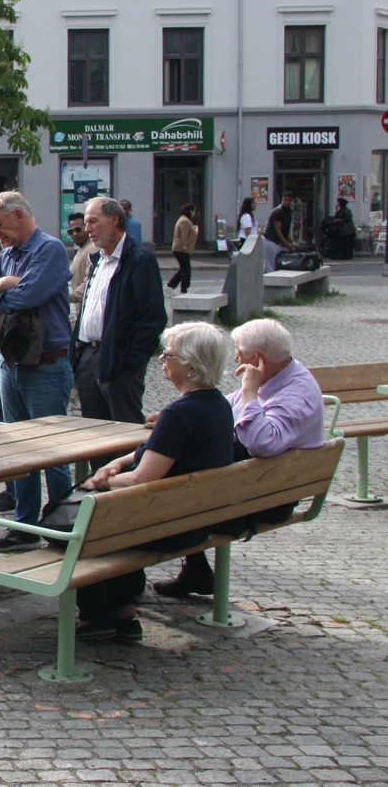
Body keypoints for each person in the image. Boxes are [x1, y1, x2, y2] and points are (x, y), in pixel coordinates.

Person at [76, 322, 236, 642]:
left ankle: (99, 613)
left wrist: (98, 484)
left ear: (191, 365)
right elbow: (153, 455)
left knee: (86, 518)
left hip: (168, 526)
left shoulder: (179, 414)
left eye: (169, 353)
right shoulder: (217, 405)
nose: (161, 357)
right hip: (196, 518)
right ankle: (123, 612)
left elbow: (141, 478)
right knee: (118, 516)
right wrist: (117, 463)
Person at [153, 318, 326, 598]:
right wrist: (187, 417)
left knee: (180, 491)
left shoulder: (294, 395)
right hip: (256, 489)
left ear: (257, 359)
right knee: (197, 468)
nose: (234, 358)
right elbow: (226, 408)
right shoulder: (283, 378)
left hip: (266, 501)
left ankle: (122, 597)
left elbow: (262, 443)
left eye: (239, 352)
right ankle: (197, 573)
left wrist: (249, 391)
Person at [0, 192, 73, 553]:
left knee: (53, 452)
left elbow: (27, 298)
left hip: (46, 364)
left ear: (18, 216)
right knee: (19, 452)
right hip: (10, 363)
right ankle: (25, 526)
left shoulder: (50, 250)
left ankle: (62, 525)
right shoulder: (7, 256)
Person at [73, 197, 167, 427]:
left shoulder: (139, 260)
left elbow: (153, 318)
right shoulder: (97, 260)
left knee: (124, 430)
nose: (88, 229)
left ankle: (131, 465)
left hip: (119, 359)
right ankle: (100, 466)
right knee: (95, 433)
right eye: (86, 223)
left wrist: (130, 362)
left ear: (114, 219)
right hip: (88, 355)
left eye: (93, 221)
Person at [66, 212, 95, 322]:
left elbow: (89, 283)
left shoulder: (93, 249)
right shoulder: (82, 249)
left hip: (88, 315)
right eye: (70, 231)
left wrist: (68, 297)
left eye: (78, 229)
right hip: (80, 313)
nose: (74, 234)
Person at [166, 204, 199, 292]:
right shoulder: (185, 221)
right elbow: (184, 235)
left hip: (180, 248)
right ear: (191, 211)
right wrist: (184, 247)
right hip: (181, 249)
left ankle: (170, 286)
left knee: (183, 269)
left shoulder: (184, 219)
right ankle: (182, 289)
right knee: (186, 270)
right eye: (194, 211)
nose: (194, 214)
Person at [264, 192, 298, 272]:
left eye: (289, 200)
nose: (286, 202)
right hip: (270, 240)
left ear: (292, 202)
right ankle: (269, 281)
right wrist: (287, 244)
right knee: (271, 265)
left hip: (276, 241)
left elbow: (286, 230)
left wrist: (292, 243)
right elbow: (277, 229)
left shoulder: (288, 212)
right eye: (284, 200)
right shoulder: (278, 211)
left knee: (273, 262)